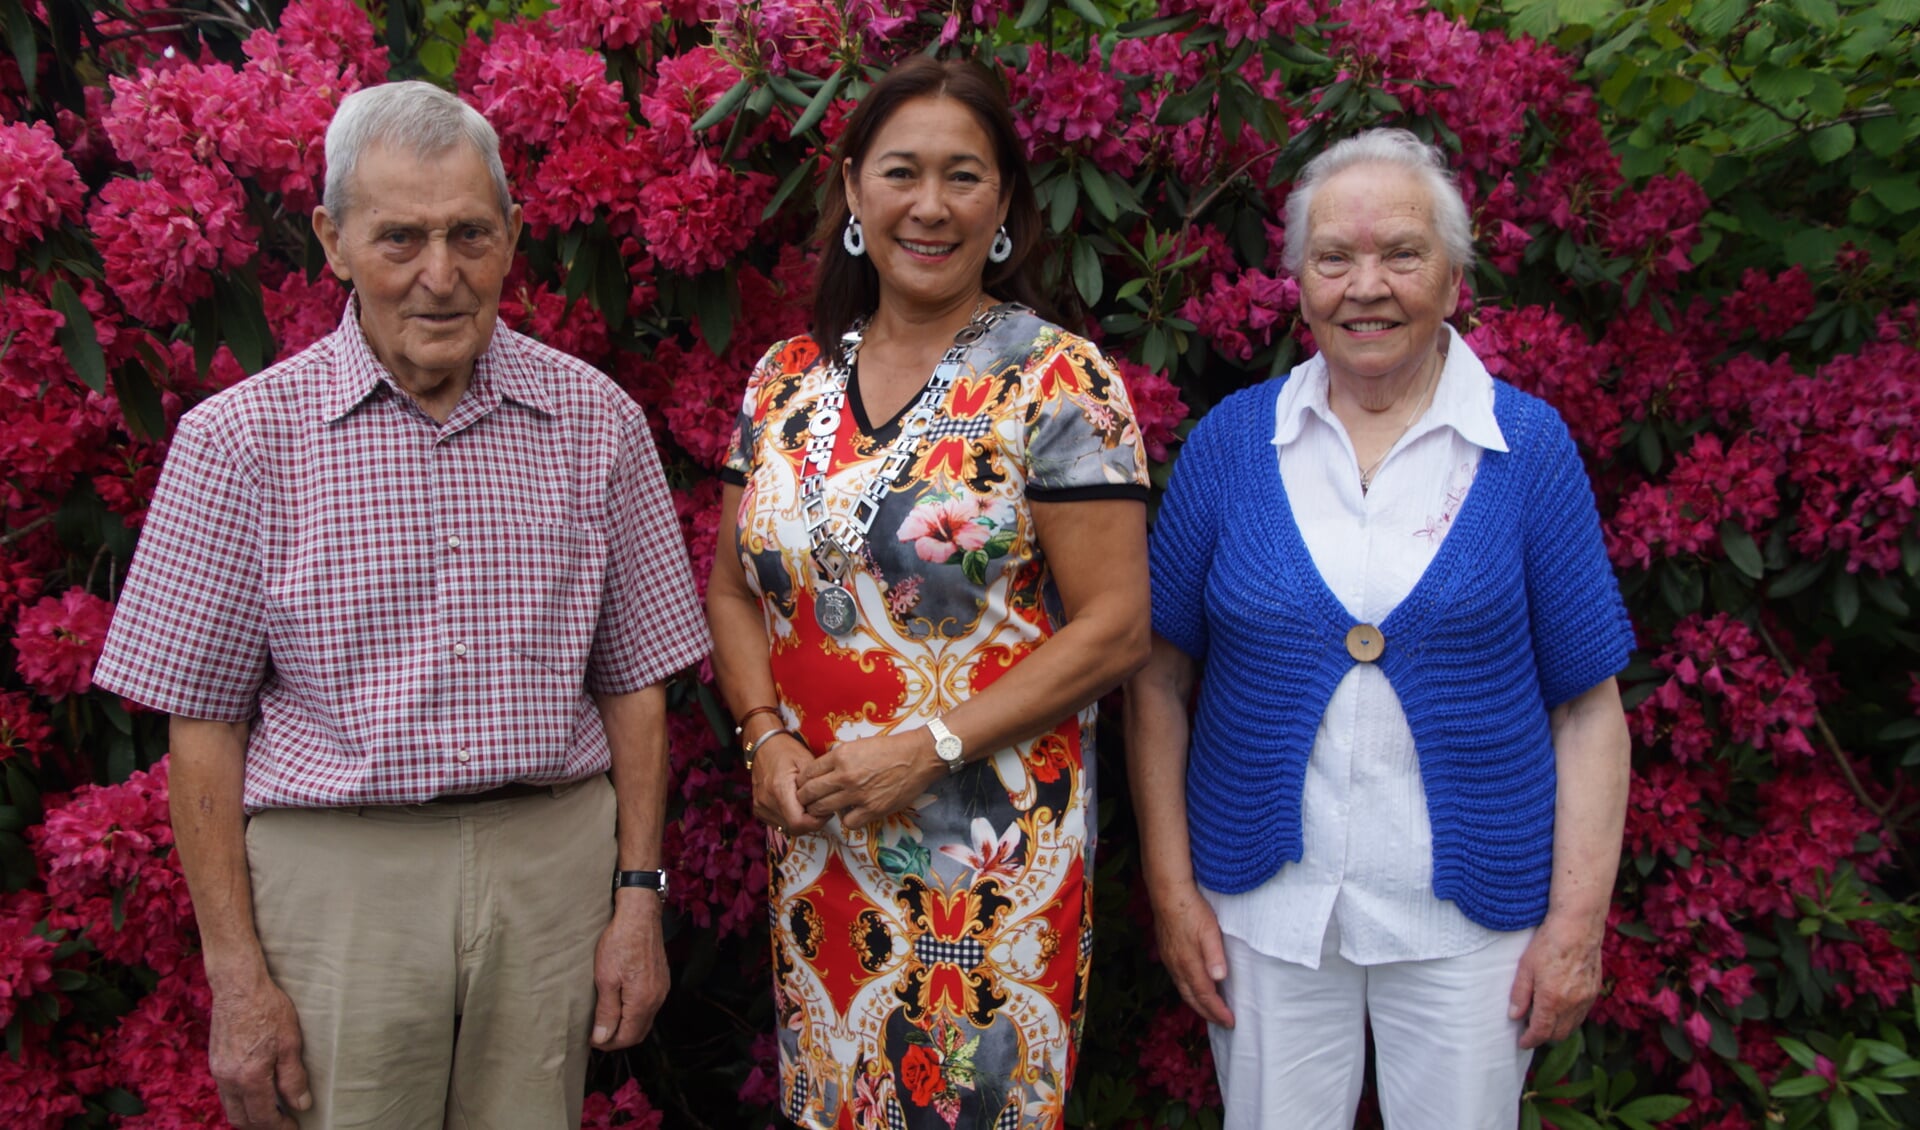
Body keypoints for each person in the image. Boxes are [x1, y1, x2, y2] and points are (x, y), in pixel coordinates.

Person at [92, 81, 710, 1130]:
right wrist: (236, 975)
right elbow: (200, 723)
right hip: (341, 885)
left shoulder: (596, 422)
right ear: (332, 241)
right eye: (400, 238)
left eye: (470, 233)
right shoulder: (240, 442)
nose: (440, 274)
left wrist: (637, 895)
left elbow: (635, 684)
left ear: (513, 237)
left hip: (548, 871)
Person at [1124, 127, 1634, 1129]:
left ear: (1454, 277)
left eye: (1402, 254)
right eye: (1335, 257)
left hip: (1470, 922)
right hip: (1266, 916)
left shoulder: (1526, 447)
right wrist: (1172, 888)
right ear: (1300, 281)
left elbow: (1588, 705)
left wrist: (1577, 924)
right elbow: (1156, 677)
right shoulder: (1233, 442)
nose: (1368, 286)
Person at [706, 56, 1151, 1130]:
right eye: (902, 171)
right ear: (855, 186)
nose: (931, 205)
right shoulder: (783, 378)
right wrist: (764, 734)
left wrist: (927, 745)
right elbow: (730, 588)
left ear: (1003, 203)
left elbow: (1117, 628)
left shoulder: (1062, 381)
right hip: (819, 849)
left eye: (965, 176)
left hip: (983, 864)